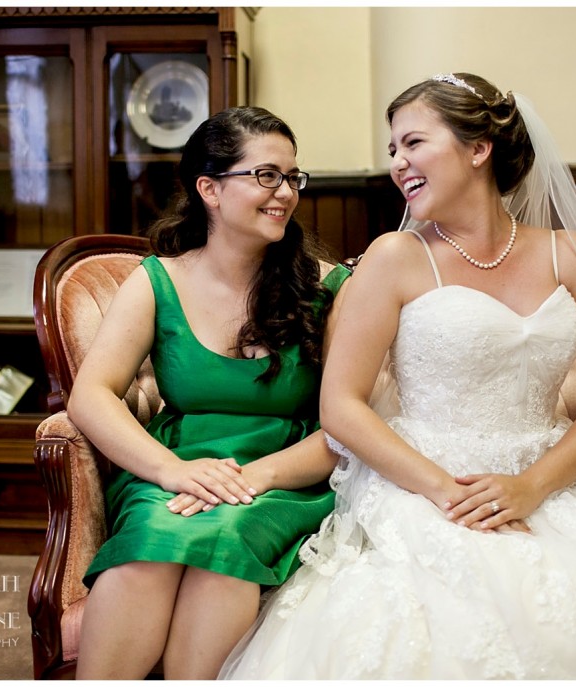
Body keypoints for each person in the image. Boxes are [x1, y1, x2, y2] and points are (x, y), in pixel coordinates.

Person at [218, 74, 576, 679]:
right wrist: (445, 491)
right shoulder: (395, 259)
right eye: (393, 149)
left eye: (413, 143)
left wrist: (532, 486)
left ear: (478, 149)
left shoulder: (569, 253)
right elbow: (342, 407)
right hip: (422, 481)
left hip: (549, 473)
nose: (397, 163)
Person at [65, 106, 351, 679]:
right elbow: (90, 396)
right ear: (210, 189)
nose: (286, 193)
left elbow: (349, 422)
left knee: (226, 540)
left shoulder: (333, 288)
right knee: (149, 543)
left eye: (292, 177)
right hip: (175, 467)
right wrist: (172, 471)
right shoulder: (157, 280)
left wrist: (252, 478)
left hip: (282, 478)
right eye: (266, 175)